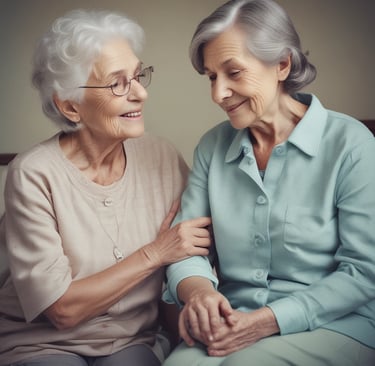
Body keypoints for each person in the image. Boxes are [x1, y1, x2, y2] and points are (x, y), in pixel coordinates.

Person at [162, 0, 375, 365]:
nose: (218, 94)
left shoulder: (351, 144)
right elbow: (187, 248)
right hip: (234, 320)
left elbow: (364, 271)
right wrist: (198, 293)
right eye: (212, 77)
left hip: (338, 324)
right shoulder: (212, 147)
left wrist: (267, 322)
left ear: (282, 64)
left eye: (233, 72)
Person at [0, 9, 212, 366]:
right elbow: (62, 310)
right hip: (40, 344)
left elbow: (198, 247)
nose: (141, 93)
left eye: (138, 75)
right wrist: (155, 253)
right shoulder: (33, 174)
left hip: (131, 340)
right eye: (118, 83)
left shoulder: (161, 157)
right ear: (70, 106)